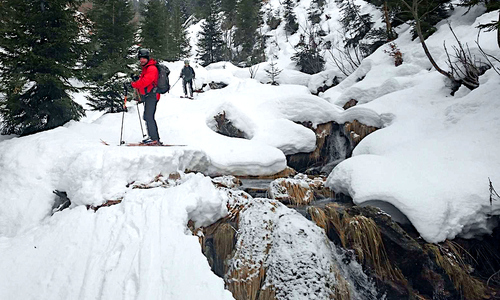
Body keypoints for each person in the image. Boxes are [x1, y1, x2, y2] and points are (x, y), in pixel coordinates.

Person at [131, 48, 161, 145]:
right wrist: (136, 80)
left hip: (152, 95)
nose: (142, 60)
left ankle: (154, 138)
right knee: (147, 116)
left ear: (147, 58)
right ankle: (152, 136)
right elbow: (144, 80)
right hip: (149, 95)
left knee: (149, 116)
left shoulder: (151, 68)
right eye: (140, 58)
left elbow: (145, 82)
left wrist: (133, 84)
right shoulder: (146, 68)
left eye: (144, 58)